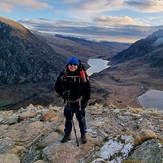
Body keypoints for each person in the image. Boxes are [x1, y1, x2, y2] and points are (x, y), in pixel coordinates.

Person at [55, 56, 91, 144]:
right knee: (68, 120)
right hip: (68, 103)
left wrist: (85, 101)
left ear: (77, 65)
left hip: (79, 103)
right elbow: (57, 87)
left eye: (75, 64)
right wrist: (63, 93)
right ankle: (67, 134)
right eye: (70, 64)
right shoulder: (63, 74)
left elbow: (88, 89)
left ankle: (83, 134)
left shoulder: (82, 75)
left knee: (81, 120)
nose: (72, 66)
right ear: (68, 65)